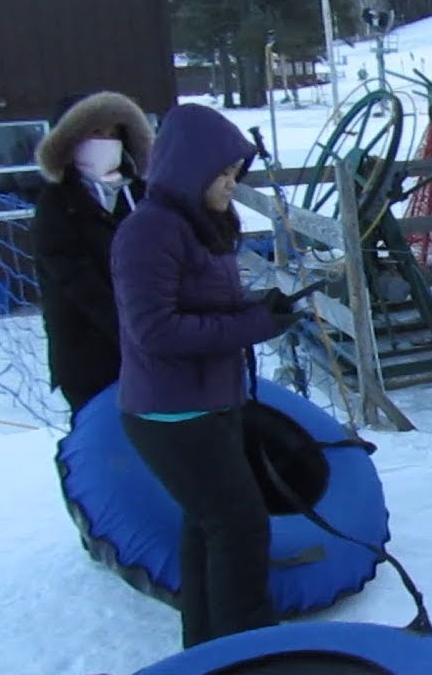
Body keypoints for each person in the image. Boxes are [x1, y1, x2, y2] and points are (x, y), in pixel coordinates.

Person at [110, 103, 305, 648]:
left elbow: (208, 302)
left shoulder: (203, 226)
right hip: (170, 414)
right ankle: (251, 650)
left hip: (212, 403)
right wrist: (253, 325)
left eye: (234, 174)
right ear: (190, 171)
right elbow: (156, 330)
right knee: (240, 527)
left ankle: (206, 649)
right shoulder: (148, 231)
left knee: (207, 526)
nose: (230, 185)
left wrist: (259, 305)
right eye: (221, 175)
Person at [32, 91, 153, 417]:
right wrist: (139, 332)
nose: (107, 141)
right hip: (88, 357)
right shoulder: (58, 204)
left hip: (151, 353)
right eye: (95, 133)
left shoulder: (140, 196)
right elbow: (77, 283)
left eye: (114, 133)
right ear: (69, 141)